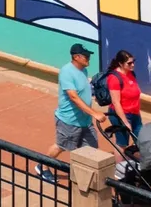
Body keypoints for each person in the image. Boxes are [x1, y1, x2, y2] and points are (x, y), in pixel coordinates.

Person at [41, 43, 100, 182]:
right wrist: (94, 113)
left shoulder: (83, 71)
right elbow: (73, 97)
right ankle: (43, 166)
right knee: (62, 146)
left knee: (91, 148)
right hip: (69, 120)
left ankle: (84, 177)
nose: (88, 58)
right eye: (85, 56)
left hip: (85, 121)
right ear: (76, 57)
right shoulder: (67, 72)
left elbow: (84, 90)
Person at [101, 49, 144, 152]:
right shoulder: (114, 78)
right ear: (120, 63)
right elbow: (116, 103)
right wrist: (125, 122)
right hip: (120, 115)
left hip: (135, 114)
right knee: (122, 143)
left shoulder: (131, 74)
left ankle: (137, 165)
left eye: (133, 62)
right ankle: (120, 167)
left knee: (140, 141)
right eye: (129, 63)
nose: (133, 65)